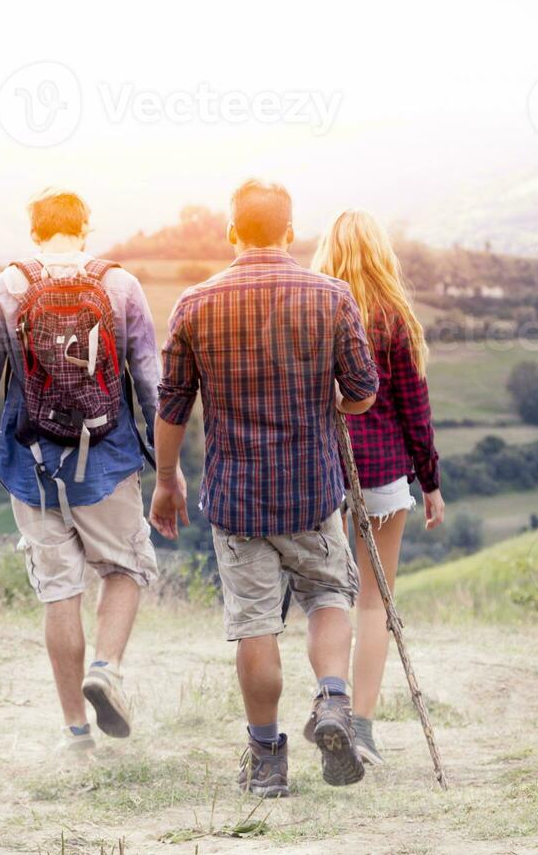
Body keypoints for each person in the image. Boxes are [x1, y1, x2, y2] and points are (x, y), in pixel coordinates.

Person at [151, 180, 379, 797]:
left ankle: (268, 761)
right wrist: (329, 399)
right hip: (312, 493)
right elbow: (362, 391)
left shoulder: (195, 304)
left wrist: (167, 478)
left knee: (256, 625)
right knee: (329, 595)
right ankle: (334, 701)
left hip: (237, 501)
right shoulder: (331, 297)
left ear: (231, 231)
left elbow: (171, 407)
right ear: (289, 231)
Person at [0, 190, 170, 753]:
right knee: (125, 568)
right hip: (108, 457)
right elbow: (150, 381)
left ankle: (76, 730)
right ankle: (105, 667)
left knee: (60, 591)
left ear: (34, 232)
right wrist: (165, 464)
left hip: (31, 464)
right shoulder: (120, 286)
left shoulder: (1, 290)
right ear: (85, 227)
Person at [311, 210, 444, 768]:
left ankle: (331, 706)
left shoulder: (312, 310)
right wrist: (431, 482)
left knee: (326, 599)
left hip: (319, 474)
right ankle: (360, 729)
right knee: (375, 603)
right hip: (383, 473)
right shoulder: (393, 317)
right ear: (379, 252)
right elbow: (415, 410)